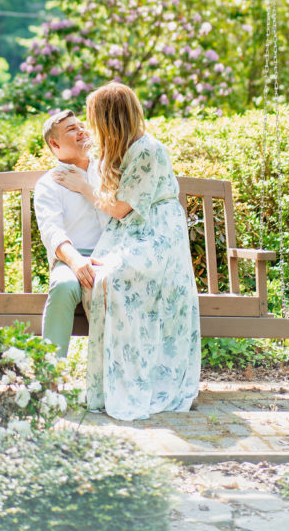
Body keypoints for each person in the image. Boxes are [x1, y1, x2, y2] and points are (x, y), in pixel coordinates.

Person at [54, 82, 201, 421]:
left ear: (110, 119)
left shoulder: (147, 150)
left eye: (94, 119)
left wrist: (83, 187)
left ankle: (141, 377)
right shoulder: (119, 148)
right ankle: (111, 382)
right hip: (133, 233)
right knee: (99, 280)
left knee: (111, 279)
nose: (89, 128)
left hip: (156, 233)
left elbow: (120, 209)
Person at [33, 110, 107, 357]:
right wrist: (76, 261)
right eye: (71, 129)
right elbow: (52, 230)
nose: (82, 131)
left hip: (112, 254)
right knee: (63, 285)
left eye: (81, 126)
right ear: (54, 144)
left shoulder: (109, 170)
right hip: (72, 258)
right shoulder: (48, 184)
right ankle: (51, 377)